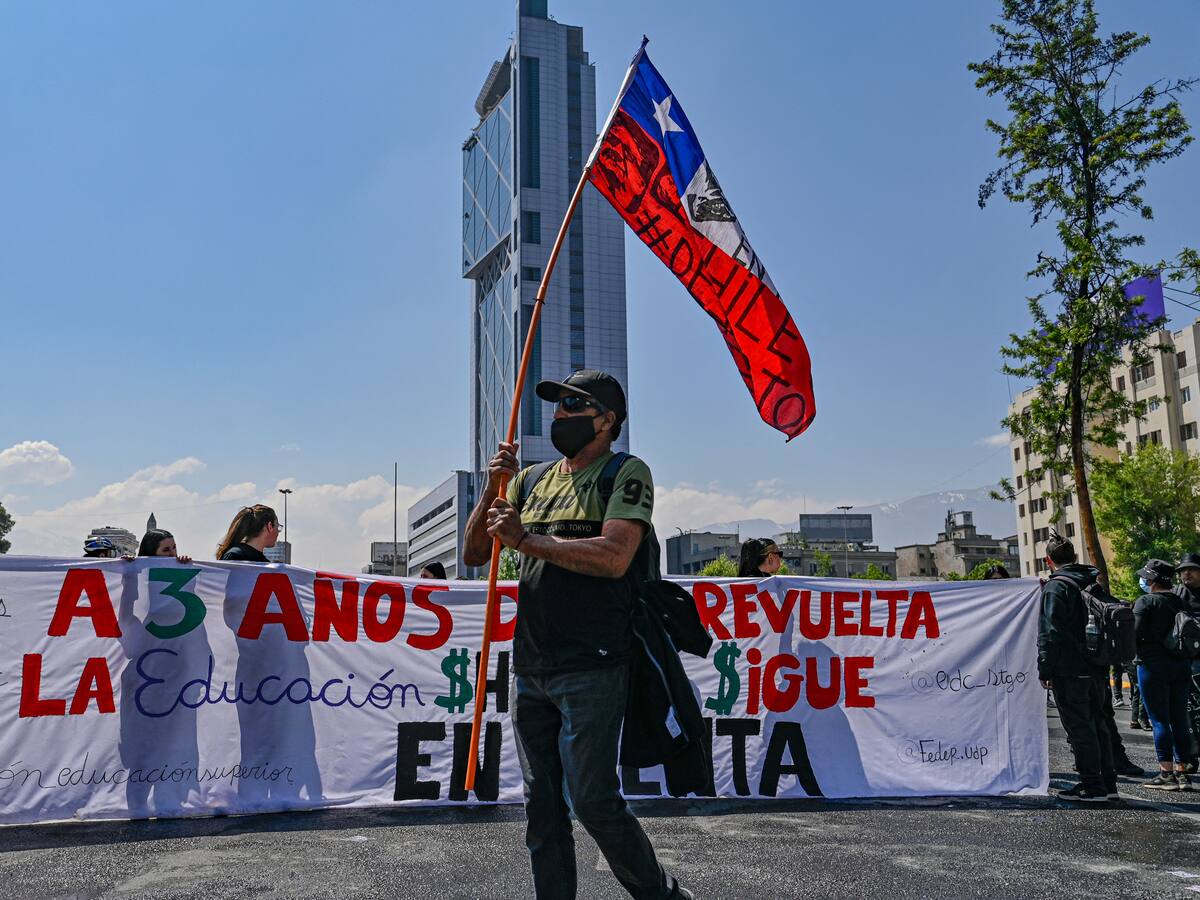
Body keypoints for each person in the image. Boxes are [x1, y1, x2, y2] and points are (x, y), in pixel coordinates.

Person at [463, 369, 691, 900]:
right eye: (557, 404)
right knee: (541, 807)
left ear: (607, 420)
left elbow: (614, 557)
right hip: (533, 666)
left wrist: (528, 539)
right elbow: (476, 553)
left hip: (595, 663)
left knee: (592, 800)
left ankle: (659, 894)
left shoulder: (625, 473)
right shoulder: (532, 480)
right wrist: (492, 489)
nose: (559, 414)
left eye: (573, 404)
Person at [1038, 533, 1116, 802]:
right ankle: (1108, 785)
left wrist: (1045, 669)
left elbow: (1050, 632)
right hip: (1096, 667)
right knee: (1099, 724)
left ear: (1049, 560)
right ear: (1073, 558)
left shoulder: (1057, 588)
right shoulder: (1090, 582)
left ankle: (1092, 786)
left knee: (1079, 728)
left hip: (1070, 670)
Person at [1133, 559, 1194, 791]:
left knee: (1159, 720)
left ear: (1153, 580)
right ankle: (1183, 772)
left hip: (1151, 665)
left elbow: (1134, 636)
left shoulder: (1145, 602)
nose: (1144, 581)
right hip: (1181, 665)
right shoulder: (1180, 601)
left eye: (1146, 577)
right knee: (1179, 718)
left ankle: (1166, 774)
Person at [1173, 553, 1200, 773]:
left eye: (1191, 569)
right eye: (1183, 570)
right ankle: (1191, 755)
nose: (1186, 573)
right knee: (1186, 710)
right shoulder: (1176, 595)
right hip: (1185, 661)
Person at [215, 505, 280, 562]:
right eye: (277, 527)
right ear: (270, 526)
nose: (278, 532)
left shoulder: (234, 555)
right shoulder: (235, 556)